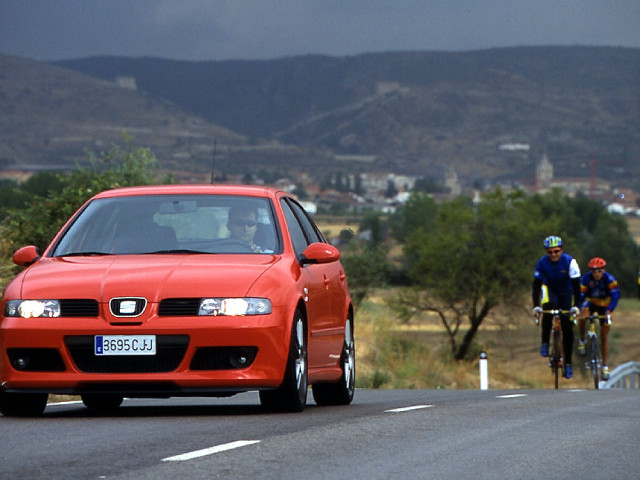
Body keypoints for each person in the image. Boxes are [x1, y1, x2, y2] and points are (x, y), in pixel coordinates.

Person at [532, 235, 581, 379]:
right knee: (548, 309)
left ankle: (568, 364)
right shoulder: (542, 263)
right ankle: (545, 343)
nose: (553, 255)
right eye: (550, 252)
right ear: (546, 252)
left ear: (561, 250)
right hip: (549, 289)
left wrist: (576, 306)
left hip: (566, 291)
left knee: (567, 327)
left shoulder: (570, 262)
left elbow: (577, 288)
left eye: (556, 251)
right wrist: (536, 306)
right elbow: (536, 287)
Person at [577, 257, 620, 380]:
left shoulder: (610, 279)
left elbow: (616, 296)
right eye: (594, 271)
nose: (597, 274)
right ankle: (582, 340)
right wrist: (578, 309)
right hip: (591, 303)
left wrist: (610, 310)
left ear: (604, 270)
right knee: (583, 315)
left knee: (604, 336)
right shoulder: (585, 279)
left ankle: (604, 366)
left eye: (599, 271)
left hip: (605, 305)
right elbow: (581, 296)